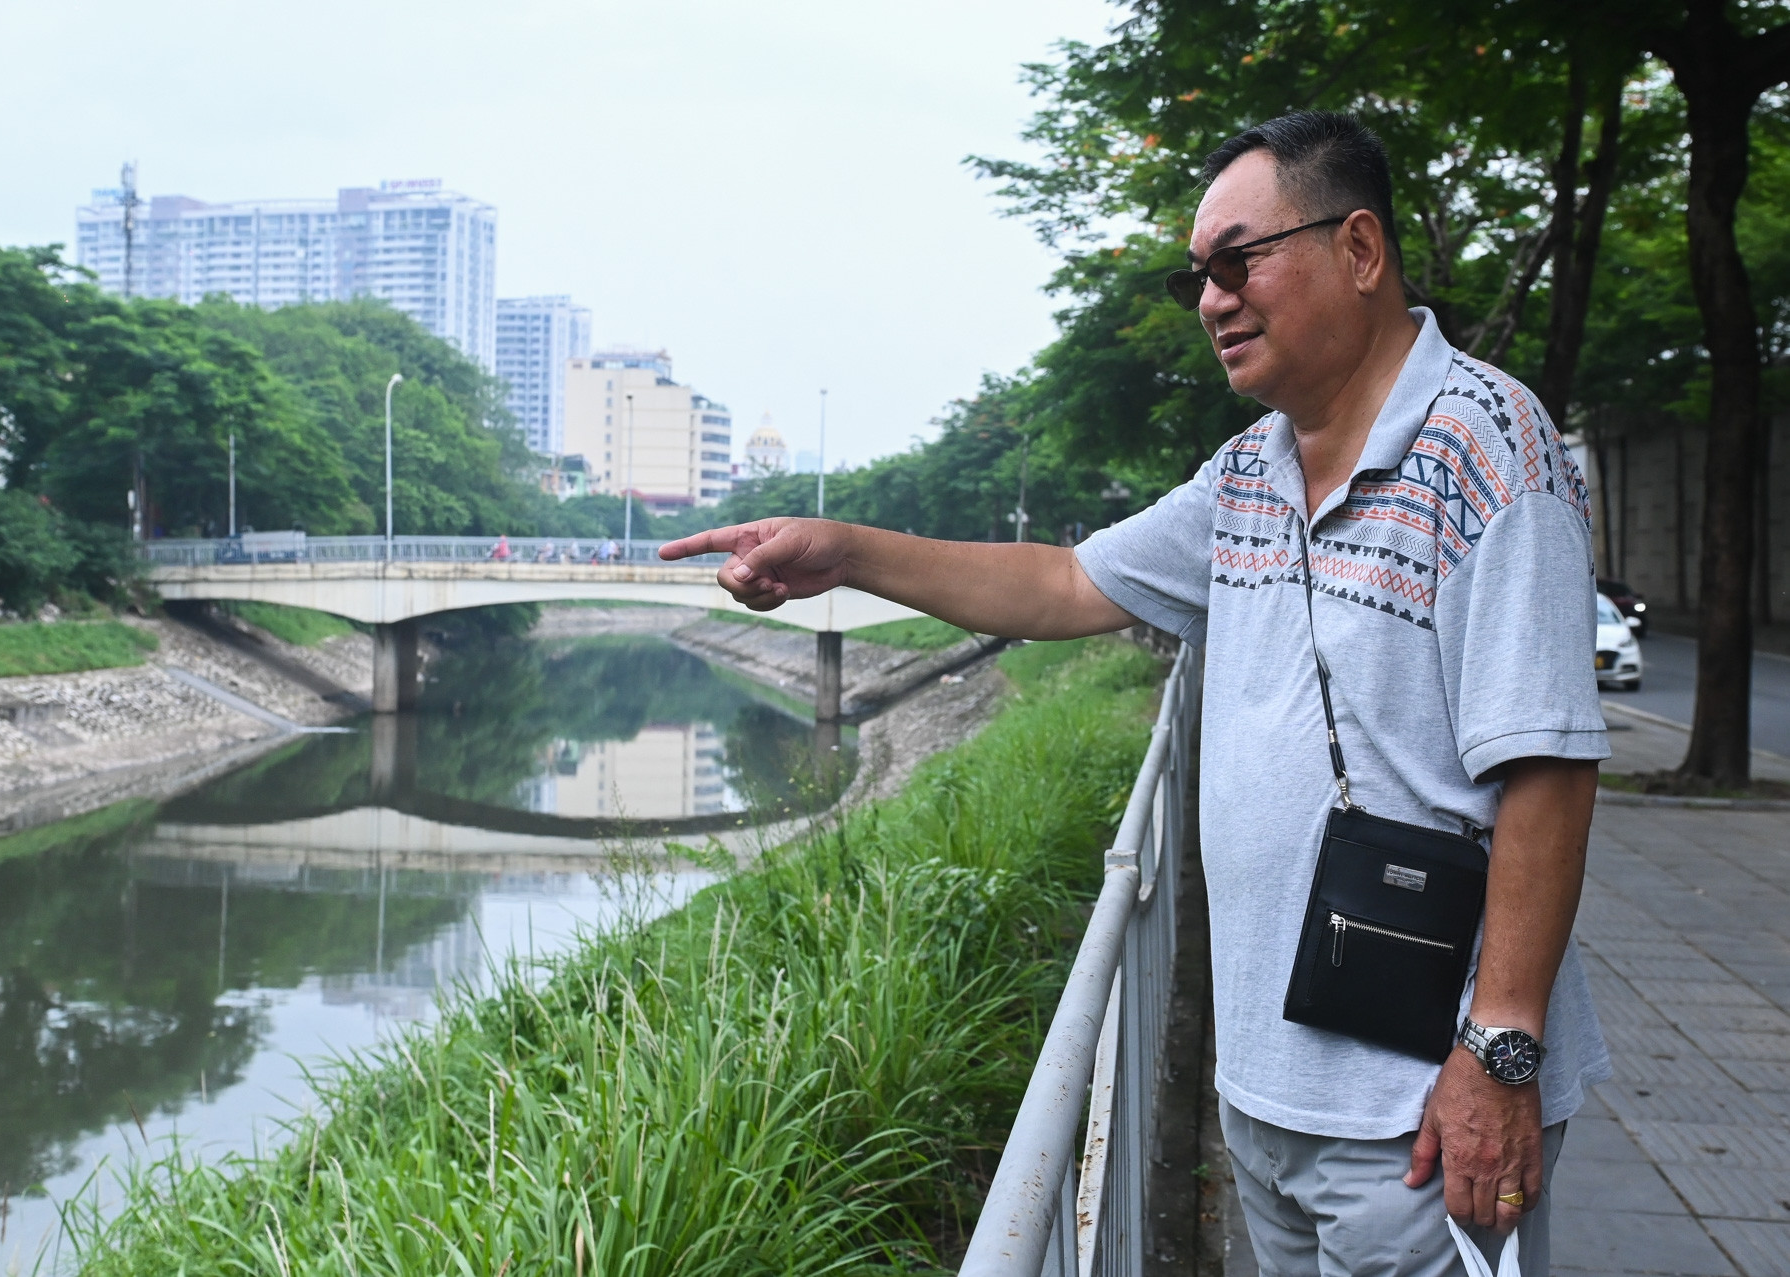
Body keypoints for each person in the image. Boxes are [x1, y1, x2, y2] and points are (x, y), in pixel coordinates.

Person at [661, 111, 1608, 1275]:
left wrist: (1498, 1053)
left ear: (1358, 250)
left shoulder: (1485, 443)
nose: (1210, 298)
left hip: (1414, 1107)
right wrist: (845, 550)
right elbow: (1064, 579)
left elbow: (1549, 767)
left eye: (1236, 260)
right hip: (1267, 1088)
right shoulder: (1252, 466)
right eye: (1194, 276)